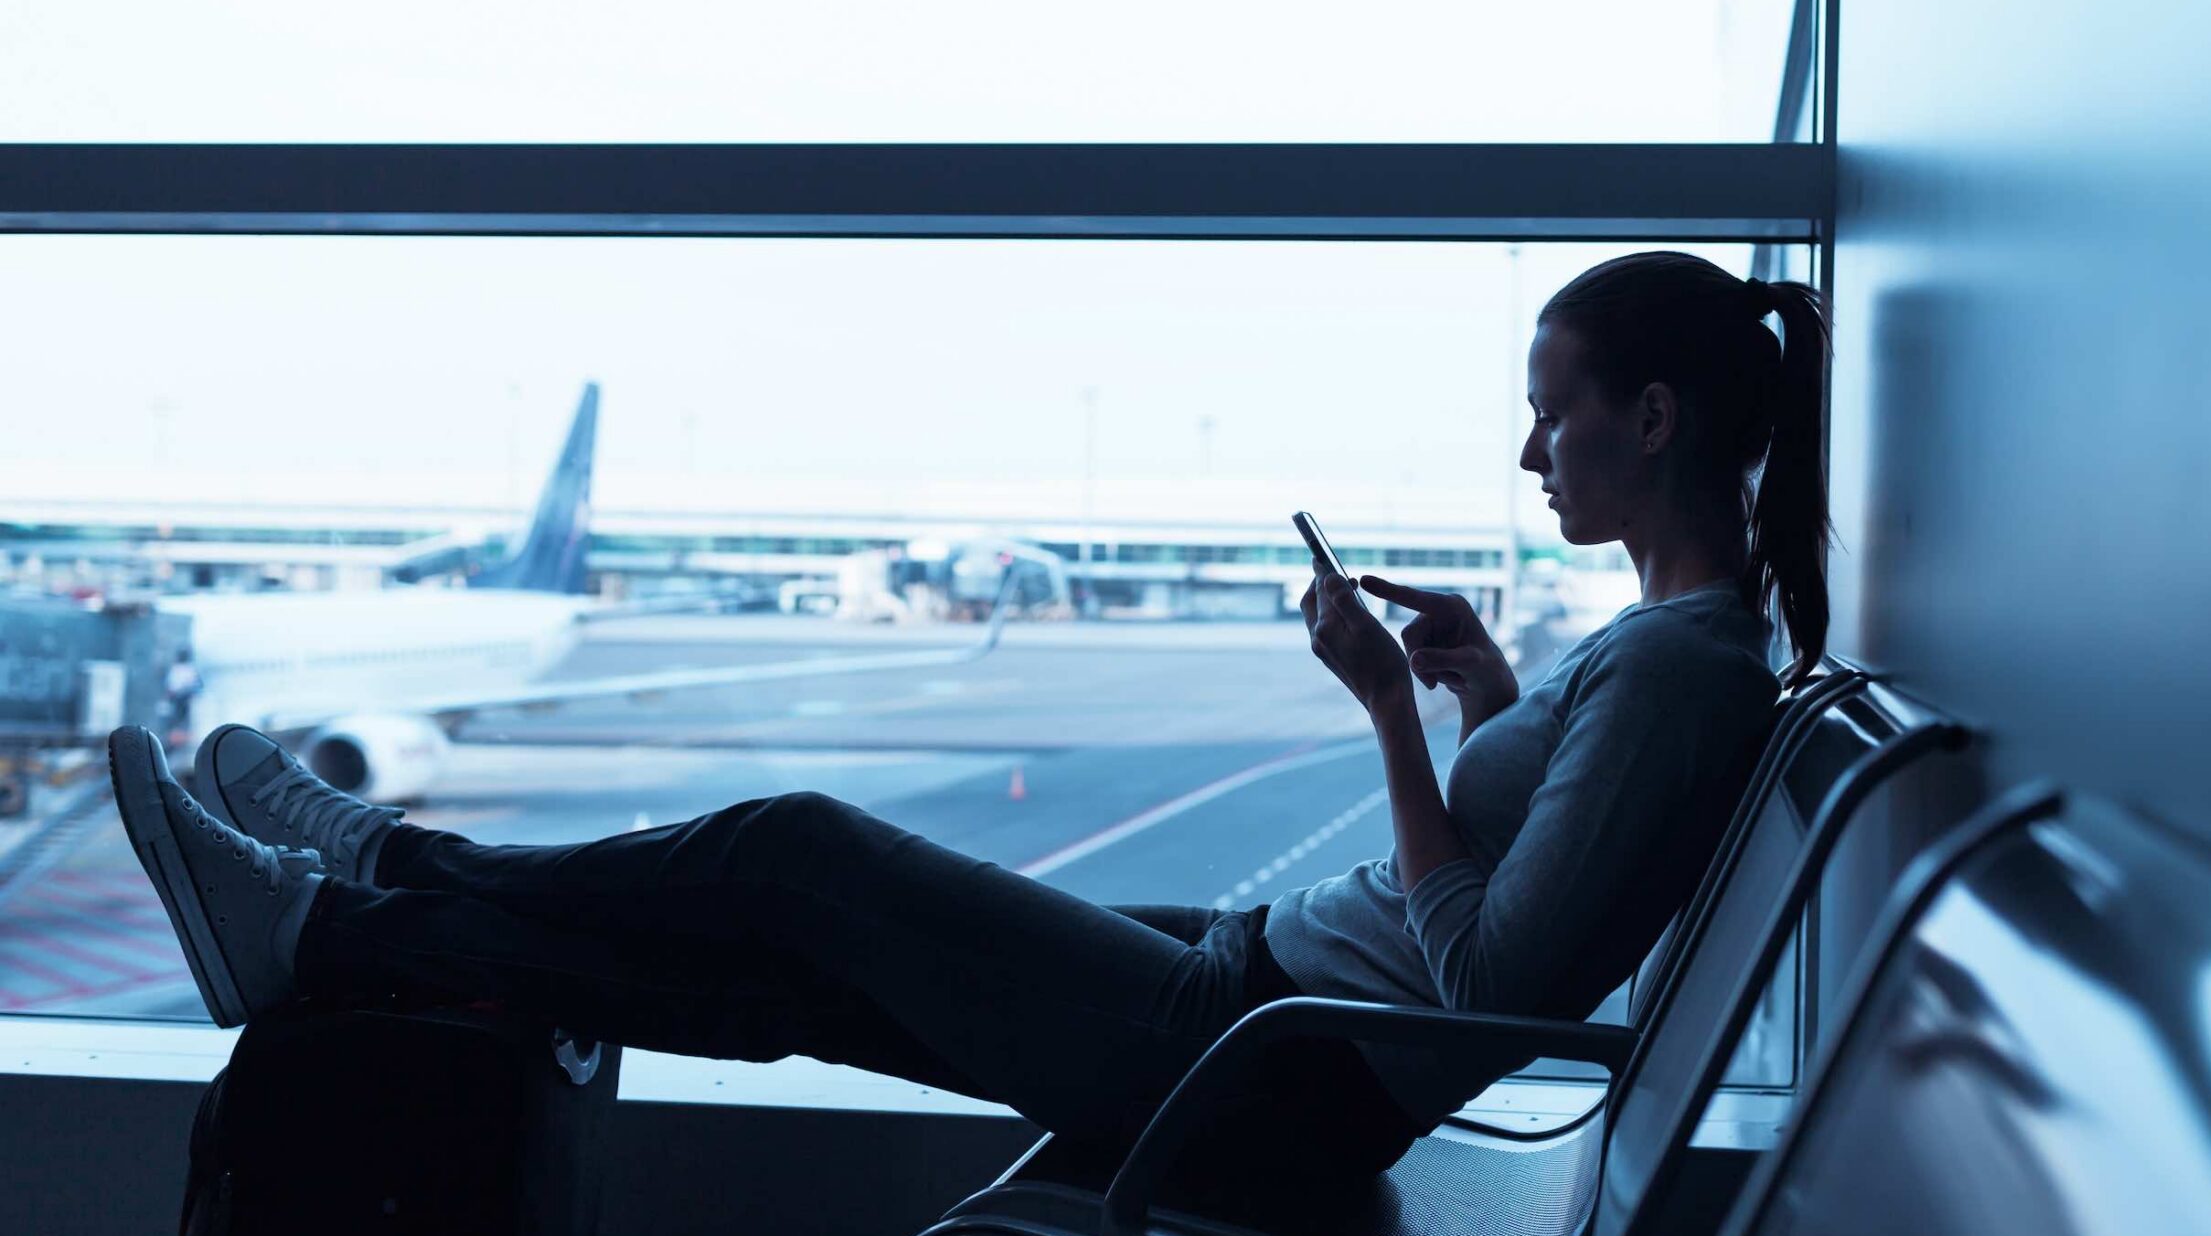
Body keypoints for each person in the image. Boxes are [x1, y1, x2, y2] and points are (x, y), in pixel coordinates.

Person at [107, 251, 1830, 1182]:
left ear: (1655, 417)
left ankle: (360, 883)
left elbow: (1493, 989)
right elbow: (1515, 897)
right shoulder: (1674, 646)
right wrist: (1487, 701)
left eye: (1554, 415)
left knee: (795, 856)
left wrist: (1389, 713)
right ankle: (342, 923)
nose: (1530, 457)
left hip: (1266, 1076)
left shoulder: (1687, 667)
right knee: (788, 963)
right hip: (1265, 1009)